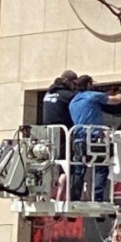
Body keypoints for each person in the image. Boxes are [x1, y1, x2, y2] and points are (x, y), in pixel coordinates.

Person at [69, 75, 121, 202]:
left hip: (78, 139)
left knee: (79, 169)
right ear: (88, 84)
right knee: (101, 167)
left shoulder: (74, 101)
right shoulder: (92, 96)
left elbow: (96, 99)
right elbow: (116, 100)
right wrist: (119, 92)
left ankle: (74, 198)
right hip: (93, 139)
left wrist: (105, 93)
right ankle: (98, 198)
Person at [42, 70, 78, 201]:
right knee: (67, 166)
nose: (76, 86)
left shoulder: (48, 93)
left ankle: (46, 195)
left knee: (51, 165)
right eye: (75, 83)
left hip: (48, 134)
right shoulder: (69, 95)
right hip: (63, 134)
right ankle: (59, 197)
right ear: (69, 82)